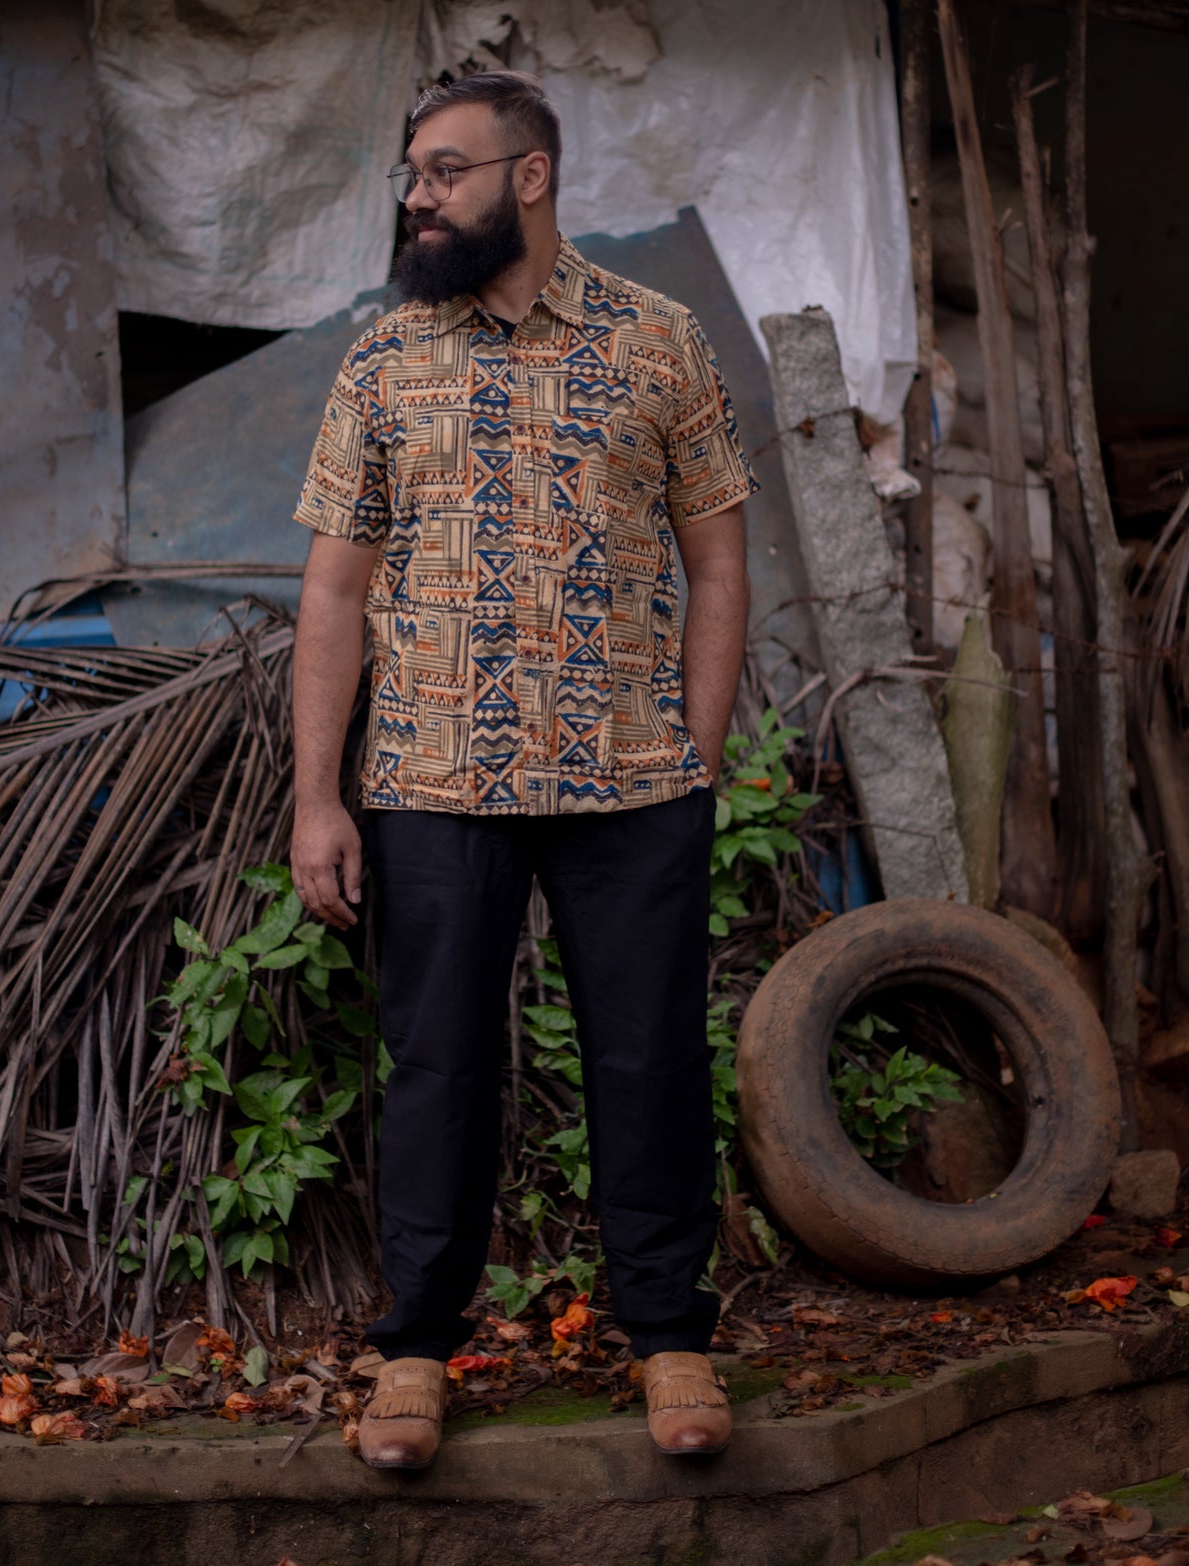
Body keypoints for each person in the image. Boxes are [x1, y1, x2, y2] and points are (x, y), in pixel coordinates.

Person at [291, 71, 757, 1470]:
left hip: (628, 774)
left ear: (530, 175)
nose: (417, 196)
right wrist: (319, 791)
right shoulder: (381, 361)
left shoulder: (658, 342)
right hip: (431, 780)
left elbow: (719, 560)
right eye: (411, 173)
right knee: (434, 1062)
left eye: (443, 170)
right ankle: (417, 1349)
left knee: (647, 1055)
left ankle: (668, 1331)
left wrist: (696, 753)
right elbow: (330, 591)